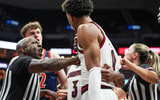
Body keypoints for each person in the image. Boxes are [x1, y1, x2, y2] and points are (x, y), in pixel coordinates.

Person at [62, 0, 123, 100]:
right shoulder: (100, 33)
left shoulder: (85, 28)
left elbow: (94, 69)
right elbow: (119, 82)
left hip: (96, 92)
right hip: (109, 93)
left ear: (70, 16)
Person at [0, 37, 80, 100]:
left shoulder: (29, 68)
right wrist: (73, 60)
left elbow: (23, 92)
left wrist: (44, 92)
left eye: (39, 43)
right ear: (24, 49)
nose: (39, 45)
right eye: (34, 43)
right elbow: (45, 65)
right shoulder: (21, 61)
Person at [20, 21, 68, 100]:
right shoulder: (19, 60)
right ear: (25, 39)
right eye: (32, 33)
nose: (36, 35)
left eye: (38, 32)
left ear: (41, 36)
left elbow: (65, 82)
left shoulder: (52, 56)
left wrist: (64, 92)